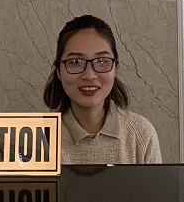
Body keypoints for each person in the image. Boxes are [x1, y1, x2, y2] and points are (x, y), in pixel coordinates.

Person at [43, 14, 162, 164]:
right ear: (59, 71)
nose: (89, 75)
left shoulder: (141, 133)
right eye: (76, 61)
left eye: (102, 61)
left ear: (115, 68)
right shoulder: (38, 136)